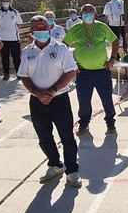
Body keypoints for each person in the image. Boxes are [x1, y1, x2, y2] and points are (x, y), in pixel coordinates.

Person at [18, 16, 82, 187]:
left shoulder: (61, 48)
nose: (41, 29)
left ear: (49, 28)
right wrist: (38, 93)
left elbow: (70, 72)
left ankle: (72, 171)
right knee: (44, 137)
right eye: (37, 27)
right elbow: (23, 76)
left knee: (67, 136)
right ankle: (55, 165)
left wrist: (52, 91)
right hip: (37, 101)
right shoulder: (27, 52)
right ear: (31, 31)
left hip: (59, 99)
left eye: (44, 26)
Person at [63, 4, 120, 135]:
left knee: (106, 99)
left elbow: (115, 41)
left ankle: (110, 122)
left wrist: (112, 58)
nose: (87, 12)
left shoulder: (101, 27)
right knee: (84, 100)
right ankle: (84, 123)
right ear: (80, 14)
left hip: (102, 71)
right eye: (85, 10)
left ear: (95, 14)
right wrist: (71, 64)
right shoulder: (75, 29)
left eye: (90, 10)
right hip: (83, 72)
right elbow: (64, 46)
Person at [0, 0, 23, 80]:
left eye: (7, 1)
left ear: (9, 1)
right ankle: (6, 73)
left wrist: (12, 29)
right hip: (2, 39)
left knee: (16, 57)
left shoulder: (15, 12)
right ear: (1, 2)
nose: (5, 2)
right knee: (4, 57)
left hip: (14, 39)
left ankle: (18, 73)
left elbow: (20, 24)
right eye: (3, 1)